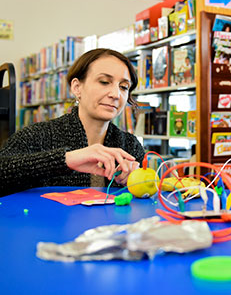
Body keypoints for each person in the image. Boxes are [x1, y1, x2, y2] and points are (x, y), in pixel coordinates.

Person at [0, 48, 145, 196]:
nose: (116, 94)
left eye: (123, 87)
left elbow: (148, 197)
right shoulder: (38, 136)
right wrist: (66, 159)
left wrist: (137, 183)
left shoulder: (130, 146)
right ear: (77, 88)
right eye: (104, 82)